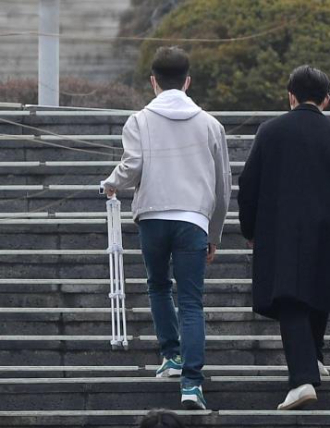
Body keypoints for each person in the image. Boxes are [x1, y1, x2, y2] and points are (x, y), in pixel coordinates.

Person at [101, 46, 232, 410]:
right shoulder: (211, 124)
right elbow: (223, 185)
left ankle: (170, 356)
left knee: (158, 286)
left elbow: (132, 165)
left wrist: (111, 183)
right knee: (191, 302)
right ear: (188, 81)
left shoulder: (139, 120)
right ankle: (192, 383)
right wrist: (214, 233)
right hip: (193, 220)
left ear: (153, 81)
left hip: (154, 216)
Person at [238, 65, 330, 411]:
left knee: (290, 300)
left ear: (290, 96)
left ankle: (302, 379)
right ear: (326, 99)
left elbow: (248, 186)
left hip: (281, 230)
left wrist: (249, 229)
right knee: (317, 292)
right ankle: (313, 357)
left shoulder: (270, 132)